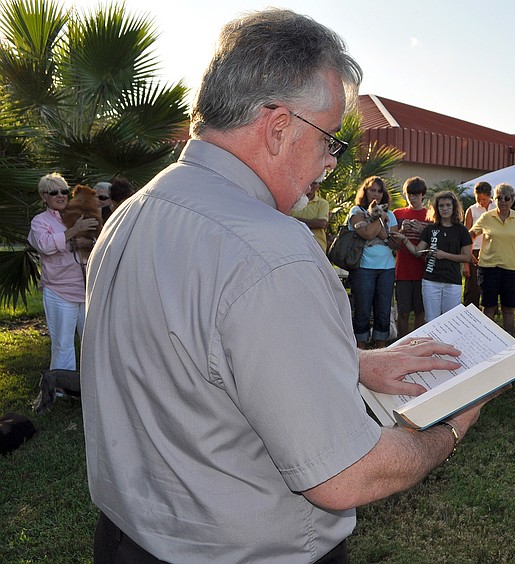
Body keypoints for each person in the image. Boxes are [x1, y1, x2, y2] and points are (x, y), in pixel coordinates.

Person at [81, 9, 491, 562]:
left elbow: (186, 362)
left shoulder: (135, 211)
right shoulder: (271, 251)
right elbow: (342, 474)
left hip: (127, 538)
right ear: (278, 128)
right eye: (329, 140)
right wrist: (449, 430)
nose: (329, 162)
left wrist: (356, 363)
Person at [27, 173, 99, 370]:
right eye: (54, 192)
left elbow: (98, 241)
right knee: (63, 344)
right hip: (59, 291)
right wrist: (74, 231)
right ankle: (61, 389)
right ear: (44, 197)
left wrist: (89, 242)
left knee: (92, 342)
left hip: (86, 290)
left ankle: (91, 384)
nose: (60, 196)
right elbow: (45, 245)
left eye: (64, 191)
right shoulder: (39, 222)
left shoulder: (79, 214)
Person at [468, 183, 515, 336]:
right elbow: (471, 234)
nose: (503, 201)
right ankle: (487, 339)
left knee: (509, 308)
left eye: (507, 198)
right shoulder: (487, 217)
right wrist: (468, 253)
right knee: (488, 306)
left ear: (512, 200)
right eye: (499, 198)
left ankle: (508, 341)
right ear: (494, 199)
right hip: (488, 268)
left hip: (513, 269)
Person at [393, 191, 472, 322]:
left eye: (448, 205)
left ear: (454, 208)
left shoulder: (461, 230)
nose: (445, 209)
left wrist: (444, 255)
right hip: (430, 280)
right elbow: (418, 251)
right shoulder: (430, 229)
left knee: (451, 320)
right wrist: (404, 239)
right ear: (436, 208)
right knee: (431, 320)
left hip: (452, 280)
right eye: (441, 206)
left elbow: (467, 257)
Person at [348, 176, 399, 349]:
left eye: (379, 191)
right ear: (365, 191)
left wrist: (378, 223)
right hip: (363, 267)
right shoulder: (356, 211)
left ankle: (381, 348)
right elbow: (368, 234)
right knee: (362, 310)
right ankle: (360, 350)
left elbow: (393, 242)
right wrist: (378, 217)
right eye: (372, 190)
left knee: (383, 311)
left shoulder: (390, 214)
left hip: (387, 268)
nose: (376, 194)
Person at [393, 177, 428, 336]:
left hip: (424, 268)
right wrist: (401, 231)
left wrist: (422, 231)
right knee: (403, 310)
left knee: (420, 310)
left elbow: (434, 240)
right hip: (403, 269)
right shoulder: (398, 213)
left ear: (423, 195)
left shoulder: (430, 214)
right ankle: (402, 340)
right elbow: (392, 243)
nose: (412, 198)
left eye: (416, 194)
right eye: (409, 194)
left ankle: (417, 340)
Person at [463, 181, 495, 307]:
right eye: (478, 199)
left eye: (484, 199)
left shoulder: (496, 207)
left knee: (491, 285)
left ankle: (489, 312)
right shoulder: (471, 210)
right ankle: (469, 311)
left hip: (492, 250)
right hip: (474, 250)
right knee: (472, 287)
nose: (481, 202)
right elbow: (466, 236)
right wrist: (466, 260)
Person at [289, 180, 330, 251]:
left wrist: (295, 221)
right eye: (309, 181)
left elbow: (322, 224)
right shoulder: (293, 200)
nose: (311, 186)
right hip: (293, 244)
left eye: (314, 183)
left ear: (318, 186)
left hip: (316, 246)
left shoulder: (323, 203)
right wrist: (312, 223)